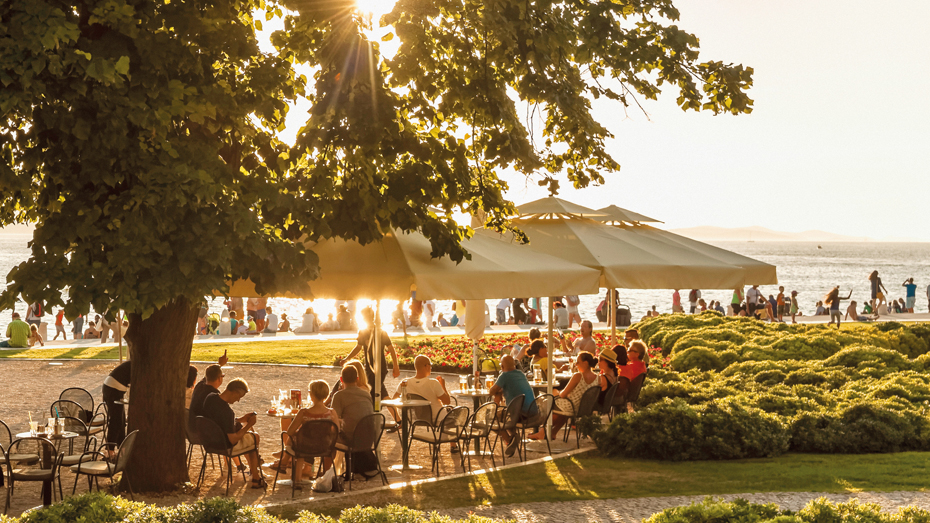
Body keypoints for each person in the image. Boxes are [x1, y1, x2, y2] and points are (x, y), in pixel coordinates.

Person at [202, 378, 266, 488]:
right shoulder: (227, 412)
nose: (238, 400)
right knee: (254, 438)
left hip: (209, 440)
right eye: (239, 397)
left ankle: (253, 470)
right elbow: (233, 439)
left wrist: (240, 420)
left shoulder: (210, 398)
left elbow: (219, 421)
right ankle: (255, 477)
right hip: (224, 445)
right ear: (235, 392)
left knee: (249, 437)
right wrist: (248, 425)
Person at [529, 352, 598, 441]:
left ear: (585, 363)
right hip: (581, 407)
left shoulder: (578, 376)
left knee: (548, 399)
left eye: (577, 362)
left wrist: (557, 392)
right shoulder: (597, 377)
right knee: (559, 409)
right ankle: (553, 432)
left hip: (570, 405)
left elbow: (563, 394)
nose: (576, 365)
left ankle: (541, 432)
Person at [337, 307, 401, 404]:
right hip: (369, 367)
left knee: (374, 391)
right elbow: (358, 347)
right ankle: (393, 416)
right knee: (378, 391)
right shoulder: (363, 332)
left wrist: (396, 366)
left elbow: (391, 349)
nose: (364, 318)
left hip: (381, 367)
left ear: (370, 317)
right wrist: (347, 358)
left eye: (364, 316)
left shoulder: (380, 332)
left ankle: (373, 412)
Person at [285, 380, 339, 484]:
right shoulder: (332, 413)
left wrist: (299, 432)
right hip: (325, 446)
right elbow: (336, 431)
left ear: (311, 394)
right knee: (302, 442)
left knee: (299, 449)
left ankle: (297, 480)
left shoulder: (304, 412)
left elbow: (289, 431)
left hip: (305, 446)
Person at [330, 364, 378, 480]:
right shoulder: (366, 394)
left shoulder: (339, 396)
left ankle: (328, 472)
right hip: (369, 437)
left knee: (328, 434)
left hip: (351, 439)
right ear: (357, 379)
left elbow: (333, 418)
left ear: (341, 379)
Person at [489, 355, 537, 457]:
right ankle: (513, 437)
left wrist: (497, 393)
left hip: (520, 415)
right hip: (533, 412)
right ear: (514, 365)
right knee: (507, 414)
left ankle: (510, 440)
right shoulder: (520, 374)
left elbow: (491, 391)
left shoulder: (504, 376)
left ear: (502, 366)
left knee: (491, 417)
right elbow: (513, 387)